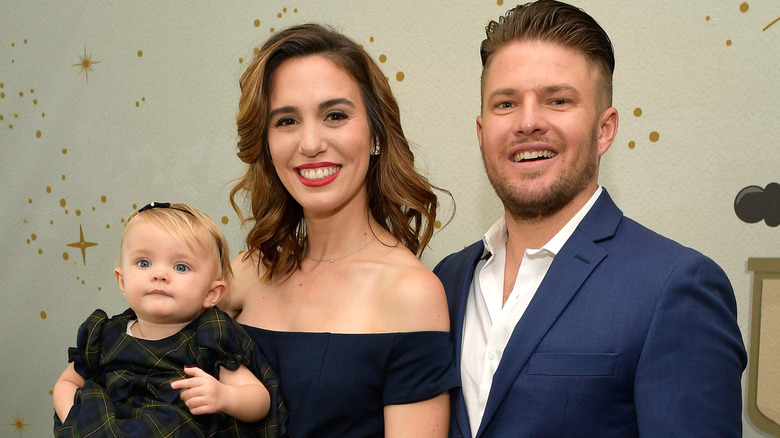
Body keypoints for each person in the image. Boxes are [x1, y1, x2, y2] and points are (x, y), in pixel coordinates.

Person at [433, 1, 748, 437]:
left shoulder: (674, 286)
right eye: (506, 104)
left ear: (605, 129)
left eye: (557, 100)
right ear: (482, 131)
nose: (528, 122)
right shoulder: (445, 282)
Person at [222, 23, 459, 438]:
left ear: (375, 135)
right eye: (287, 120)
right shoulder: (246, 271)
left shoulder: (409, 293)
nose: (310, 142)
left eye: (335, 115)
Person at [52, 202, 287, 437]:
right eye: (144, 263)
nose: (160, 275)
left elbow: (260, 400)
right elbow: (66, 384)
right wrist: (80, 423)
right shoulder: (105, 336)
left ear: (211, 294)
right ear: (122, 281)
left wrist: (225, 396)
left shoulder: (208, 338)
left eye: (181, 267)